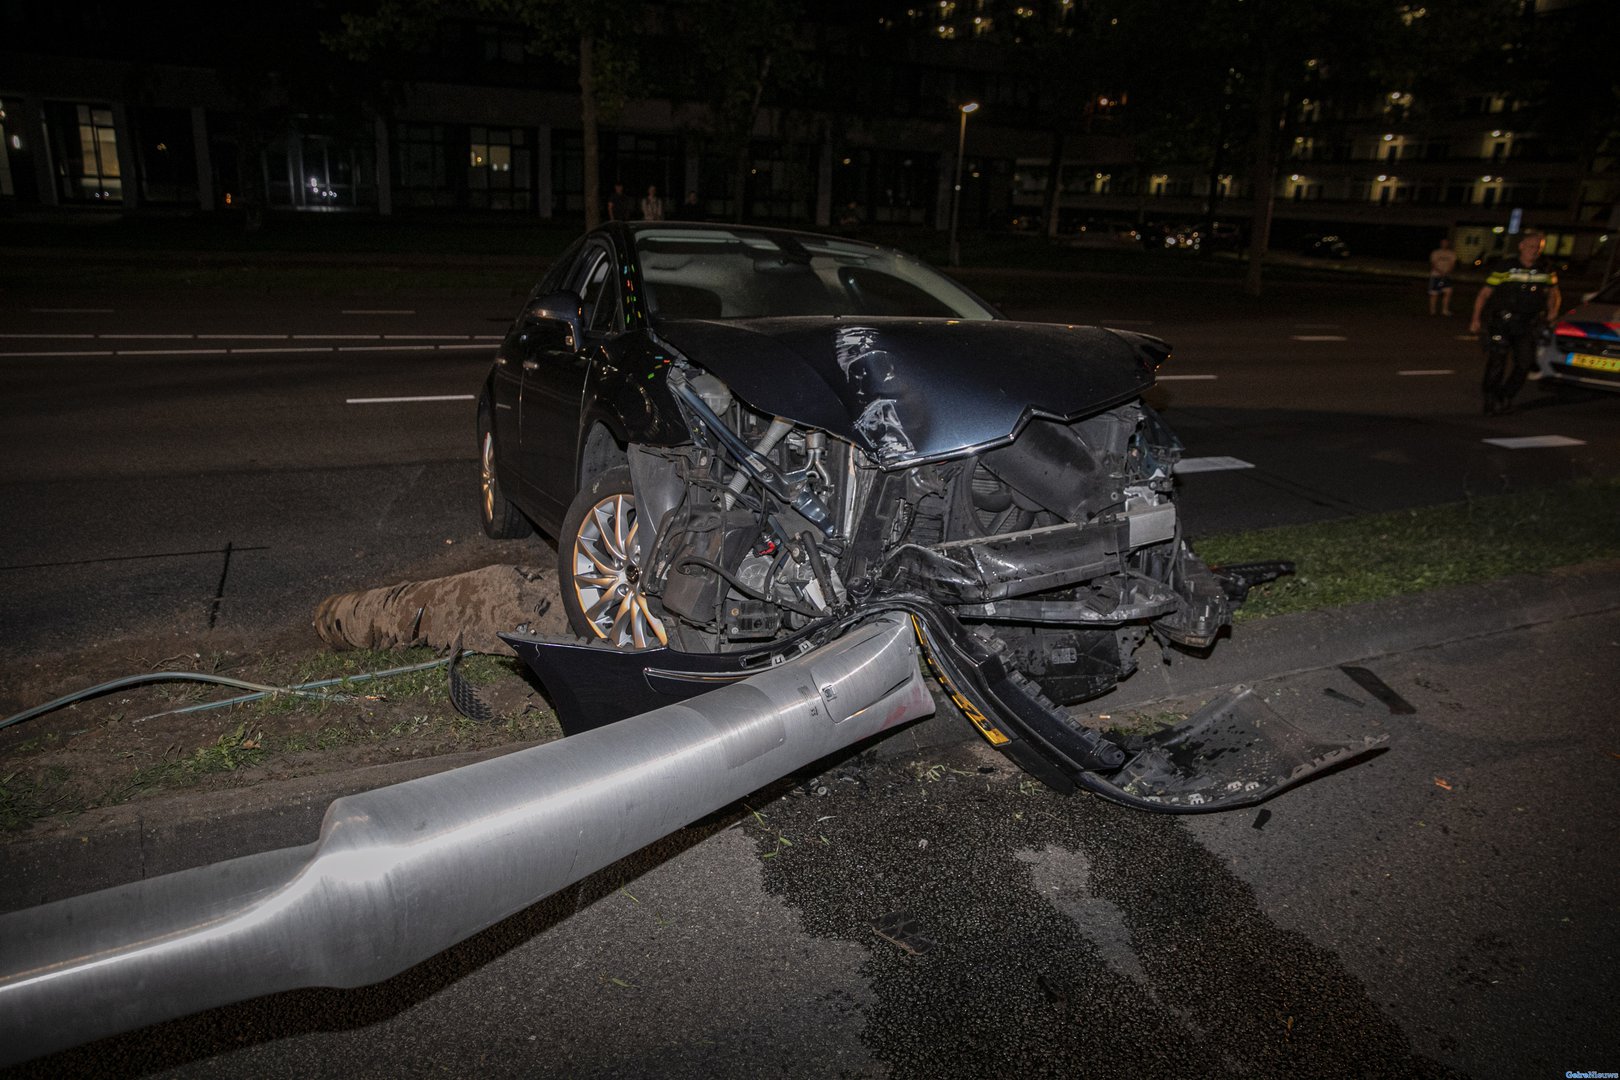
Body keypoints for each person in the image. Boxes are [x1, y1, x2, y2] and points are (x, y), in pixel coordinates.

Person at [1469, 229, 1562, 416]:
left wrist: (1553, 311)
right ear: (1521, 246)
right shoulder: (1506, 266)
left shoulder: (1546, 268)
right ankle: (1490, 399)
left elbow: (1554, 292)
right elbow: (1484, 293)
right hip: (1502, 322)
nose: (1534, 251)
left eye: (1538, 248)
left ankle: (1506, 395)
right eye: (1530, 246)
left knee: (1525, 363)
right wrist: (1475, 318)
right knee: (1497, 362)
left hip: (1527, 324)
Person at [1428, 237, 1458, 316]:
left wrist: (1447, 272)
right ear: (1440, 243)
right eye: (1443, 242)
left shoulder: (1451, 253)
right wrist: (1440, 272)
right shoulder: (1435, 253)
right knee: (1434, 293)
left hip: (1447, 276)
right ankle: (1432, 310)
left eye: (1446, 243)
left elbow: (1452, 264)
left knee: (1448, 293)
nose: (1444, 244)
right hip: (1436, 276)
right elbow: (1433, 264)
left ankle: (1445, 310)